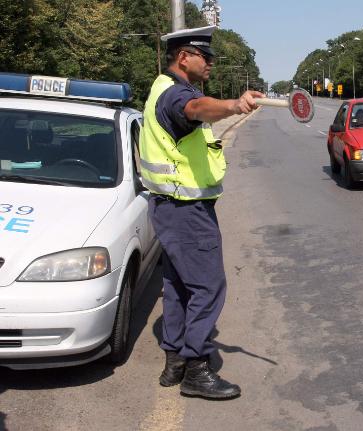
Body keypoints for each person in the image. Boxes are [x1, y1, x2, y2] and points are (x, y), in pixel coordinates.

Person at [139, 25, 264, 400]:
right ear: (183, 57)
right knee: (209, 286)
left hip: (169, 208)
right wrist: (232, 105)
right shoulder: (177, 96)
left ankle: (174, 360)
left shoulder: (163, 89)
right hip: (186, 210)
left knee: (178, 288)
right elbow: (195, 109)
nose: (210, 63)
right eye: (204, 57)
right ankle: (196, 368)